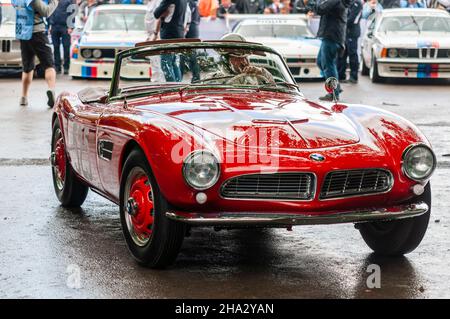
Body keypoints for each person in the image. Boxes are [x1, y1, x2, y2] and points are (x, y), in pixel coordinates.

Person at [12, 0, 58, 107]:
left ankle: (24, 97)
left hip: (23, 35)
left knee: (27, 68)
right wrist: (55, 2)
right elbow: (46, 12)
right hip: (38, 34)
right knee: (49, 65)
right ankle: (51, 90)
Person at [305, 0, 352, 101]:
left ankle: (333, 93)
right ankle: (336, 88)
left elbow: (320, 9)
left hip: (331, 36)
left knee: (328, 65)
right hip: (332, 36)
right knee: (321, 62)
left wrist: (309, 2)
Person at [154, 0, 187, 82]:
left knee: (165, 63)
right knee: (174, 63)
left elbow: (156, 14)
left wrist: (162, 15)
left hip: (169, 34)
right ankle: (177, 86)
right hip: (178, 33)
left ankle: (172, 88)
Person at [338, 0, 363, 84]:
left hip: (352, 33)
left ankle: (353, 76)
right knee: (342, 54)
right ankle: (341, 75)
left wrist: (340, 23)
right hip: (344, 32)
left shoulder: (357, 3)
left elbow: (352, 19)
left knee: (352, 54)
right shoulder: (346, 2)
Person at [48, 0, 73, 75]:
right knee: (55, 47)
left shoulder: (68, 1)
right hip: (54, 27)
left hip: (65, 27)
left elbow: (71, 13)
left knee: (66, 47)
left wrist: (70, 27)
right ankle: (57, 67)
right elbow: (49, 13)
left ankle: (66, 67)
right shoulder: (52, 1)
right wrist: (49, 25)